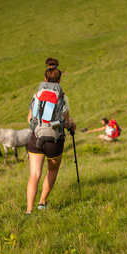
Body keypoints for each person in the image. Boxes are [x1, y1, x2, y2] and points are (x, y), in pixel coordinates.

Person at [26, 58, 76, 214]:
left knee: (34, 174)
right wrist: (71, 126)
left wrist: (41, 126)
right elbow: (64, 124)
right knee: (52, 170)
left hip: (37, 139)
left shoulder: (37, 96)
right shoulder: (63, 98)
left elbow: (30, 120)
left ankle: (29, 211)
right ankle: (42, 203)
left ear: (45, 79)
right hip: (54, 140)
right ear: (59, 80)